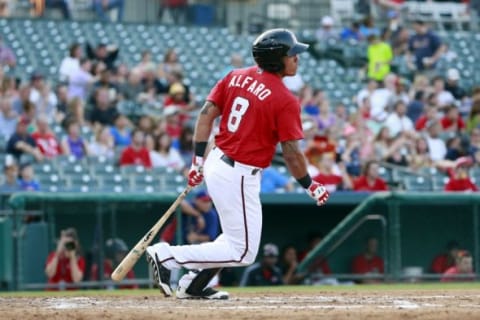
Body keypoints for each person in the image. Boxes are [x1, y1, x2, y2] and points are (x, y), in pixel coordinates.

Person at [145, 29, 329, 300]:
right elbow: (290, 151)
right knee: (243, 251)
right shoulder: (285, 99)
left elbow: (206, 115)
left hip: (217, 160)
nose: (297, 59)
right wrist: (309, 185)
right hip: (238, 172)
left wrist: (197, 162)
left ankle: (193, 285)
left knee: (233, 240)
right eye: (292, 55)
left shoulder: (235, 76)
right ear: (277, 58)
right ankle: (167, 255)